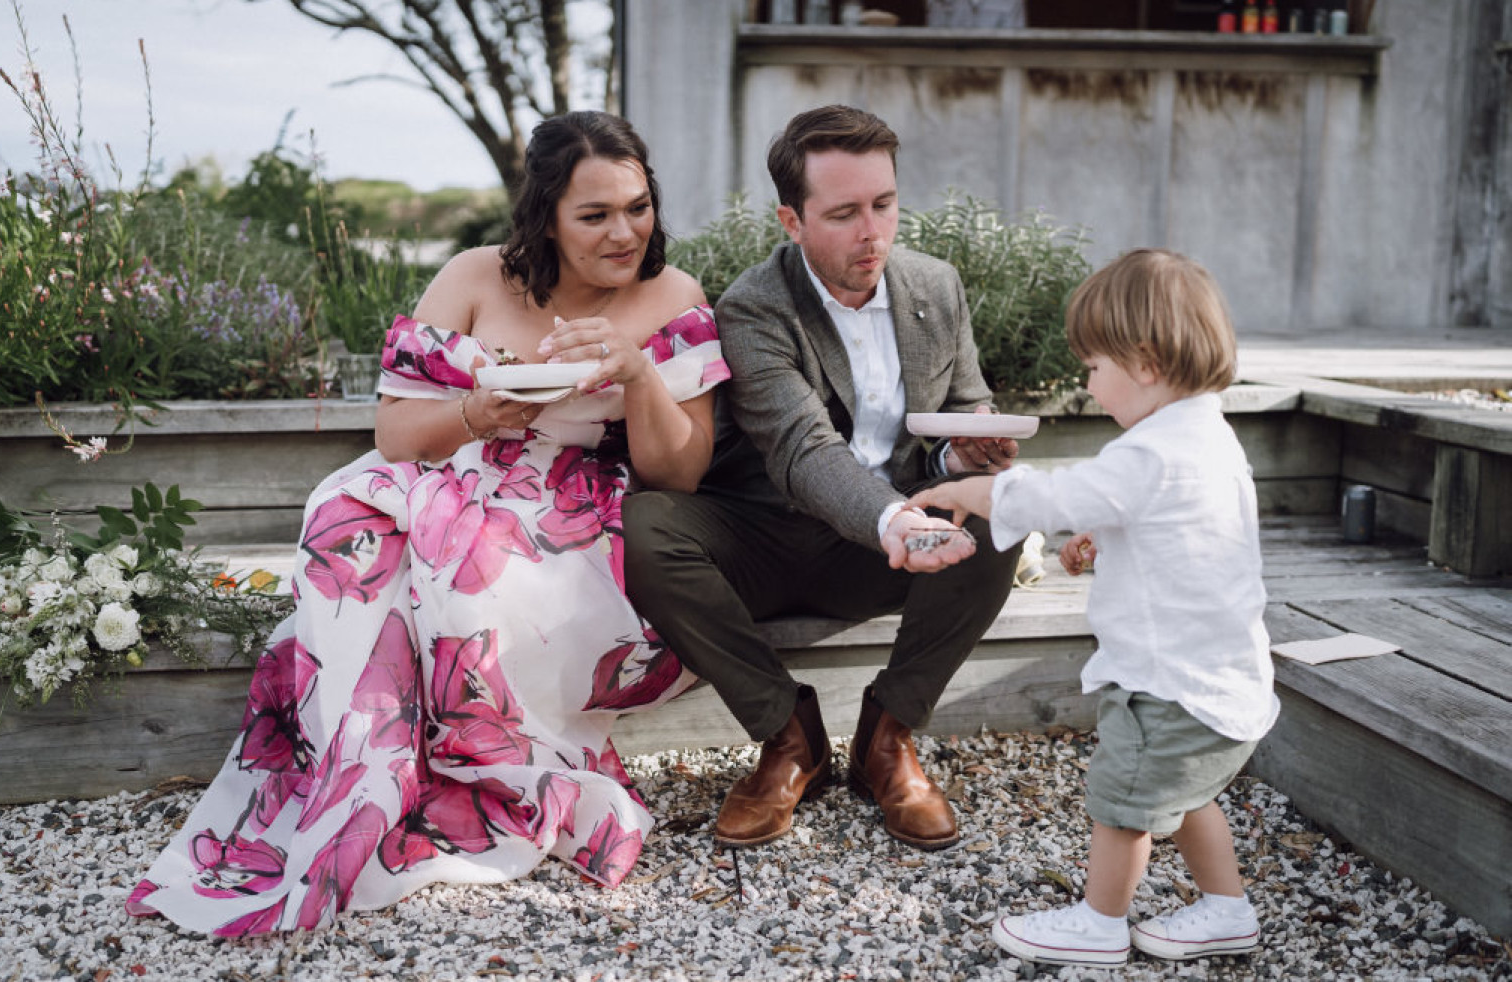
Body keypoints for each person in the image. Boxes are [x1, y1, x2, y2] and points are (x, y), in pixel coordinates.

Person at [125, 111, 728, 936]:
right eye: (595, 215)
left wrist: (637, 380)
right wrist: (477, 413)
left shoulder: (674, 296)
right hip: (453, 472)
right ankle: (363, 782)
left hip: (573, 514)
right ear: (544, 214)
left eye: (637, 206)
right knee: (352, 522)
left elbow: (681, 472)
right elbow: (396, 435)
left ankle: (461, 773)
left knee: (465, 566)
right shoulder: (475, 277)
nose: (624, 232)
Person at [623, 104, 1023, 853]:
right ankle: (788, 737)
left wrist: (965, 460)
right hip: (769, 539)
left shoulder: (936, 287)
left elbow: (959, 412)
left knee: (1004, 512)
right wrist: (899, 520)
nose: (872, 231)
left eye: (884, 203)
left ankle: (888, 740)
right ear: (791, 221)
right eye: (843, 213)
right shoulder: (753, 306)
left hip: (883, 545)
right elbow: (804, 451)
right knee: (648, 528)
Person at [909, 248, 1280, 967]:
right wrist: (1106, 543)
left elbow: (1055, 495)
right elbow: (1186, 539)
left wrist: (963, 493)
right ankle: (1226, 908)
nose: (1089, 382)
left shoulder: (1149, 453)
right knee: (1183, 794)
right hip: (1219, 677)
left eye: (1094, 367)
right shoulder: (1208, 438)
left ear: (1143, 362)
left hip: (1169, 686)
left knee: (1123, 800)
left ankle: (1100, 922)